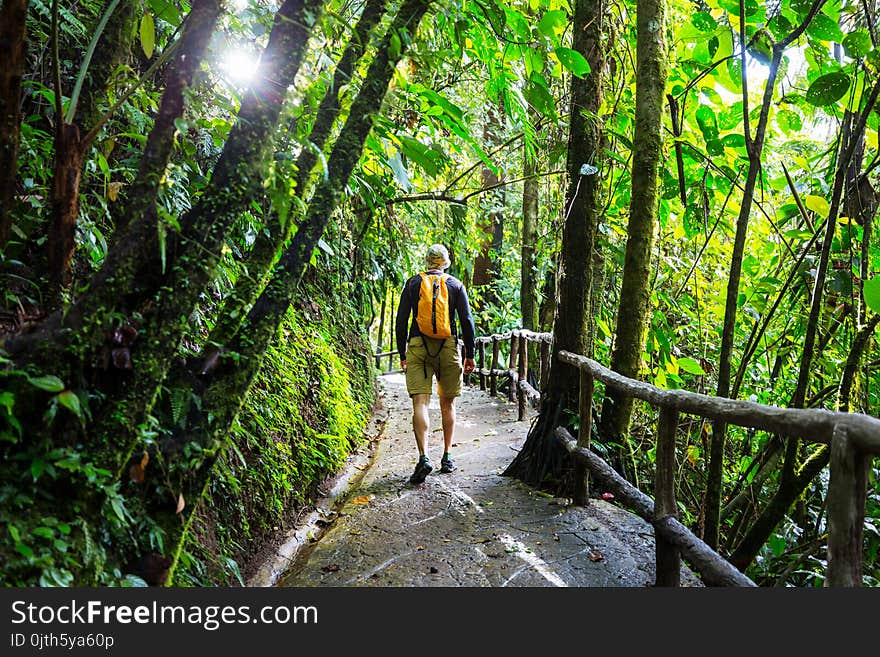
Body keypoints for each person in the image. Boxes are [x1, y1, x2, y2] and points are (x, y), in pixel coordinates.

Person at [395, 244, 476, 484]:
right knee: (447, 402)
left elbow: (401, 320)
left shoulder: (412, 283)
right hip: (448, 346)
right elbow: (467, 321)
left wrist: (403, 352)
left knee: (420, 402)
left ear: (427, 261)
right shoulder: (455, 285)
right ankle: (447, 456)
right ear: (445, 262)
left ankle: (424, 457)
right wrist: (469, 354)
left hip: (418, 344)